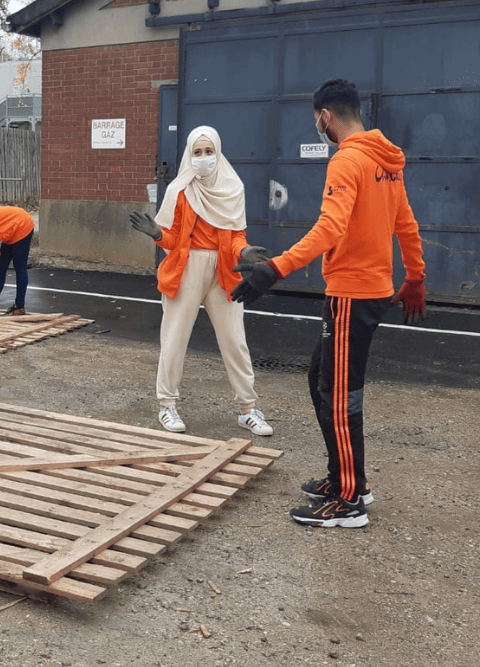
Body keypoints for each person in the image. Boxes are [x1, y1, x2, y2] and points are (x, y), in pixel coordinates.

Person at [231, 78, 427, 528]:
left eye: (316, 120)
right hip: (368, 290)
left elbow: (330, 229)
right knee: (322, 376)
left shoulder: (348, 160)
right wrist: (414, 275)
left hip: (352, 294)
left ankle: (348, 499)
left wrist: (275, 268)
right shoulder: (387, 161)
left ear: (326, 117)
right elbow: (407, 224)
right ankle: (346, 475)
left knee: (339, 396)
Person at [129, 126, 273, 438]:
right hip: (187, 267)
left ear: (218, 152)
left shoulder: (232, 188)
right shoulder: (179, 191)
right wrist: (156, 234)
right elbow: (171, 236)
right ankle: (166, 405)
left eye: (209, 152)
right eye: (197, 152)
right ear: (189, 155)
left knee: (235, 340)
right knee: (175, 337)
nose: (204, 158)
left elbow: (235, 236)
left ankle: (247, 410)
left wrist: (244, 250)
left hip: (224, 270)